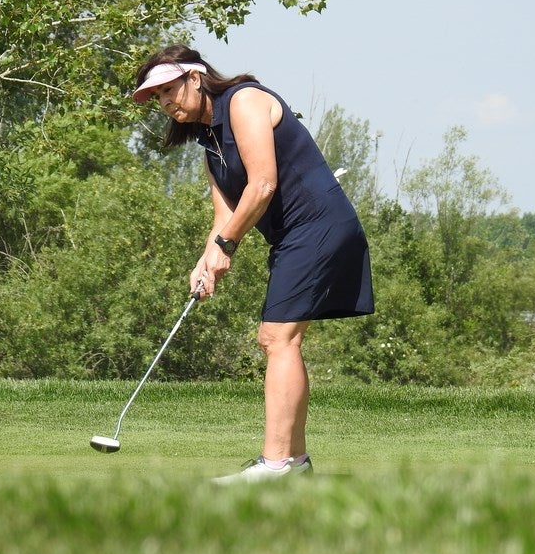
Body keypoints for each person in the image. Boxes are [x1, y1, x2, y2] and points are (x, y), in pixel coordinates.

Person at [132, 44, 374, 483]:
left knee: (277, 339)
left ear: (196, 76)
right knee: (281, 340)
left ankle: (277, 464)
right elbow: (223, 215)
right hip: (293, 237)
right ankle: (294, 465)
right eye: (157, 97)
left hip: (319, 225)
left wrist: (225, 245)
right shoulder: (210, 142)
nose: (166, 102)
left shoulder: (243, 100)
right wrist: (207, 258)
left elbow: (262, 184)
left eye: (169, 89)